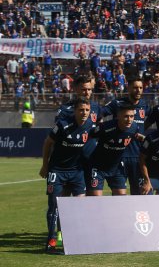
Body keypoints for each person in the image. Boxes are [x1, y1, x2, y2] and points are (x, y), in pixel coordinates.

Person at [39, 99, 94, 253]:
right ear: (75, 111)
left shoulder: (90, 126)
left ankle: (75, 238)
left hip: (77, 171)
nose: (84, 113)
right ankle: (51, 240)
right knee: (54, 206)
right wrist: (45, 165)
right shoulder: (63, 125)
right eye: (81, 110)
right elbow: (47, 143)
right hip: (57, 171)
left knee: (80, 206)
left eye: (87, 110)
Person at [102, 79, 151, 195]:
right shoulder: (117, 104)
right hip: (119, 155)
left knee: (141, 194)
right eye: (135, 87)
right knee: (119, 194)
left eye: (140, 88)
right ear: (128, 88)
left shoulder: (145, 106)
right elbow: (99, 113)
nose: (138, 90)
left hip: (138, 156)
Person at [87, 104, 139, 196]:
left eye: (132, 116)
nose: (129, 119)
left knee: (121, 198)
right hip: (98, 167)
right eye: (126, 116)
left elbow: (135, 136)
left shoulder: (134, 127)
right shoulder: (106, 127)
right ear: (118, 116)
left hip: (116, 167)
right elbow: (89, 135)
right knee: (95, 200)